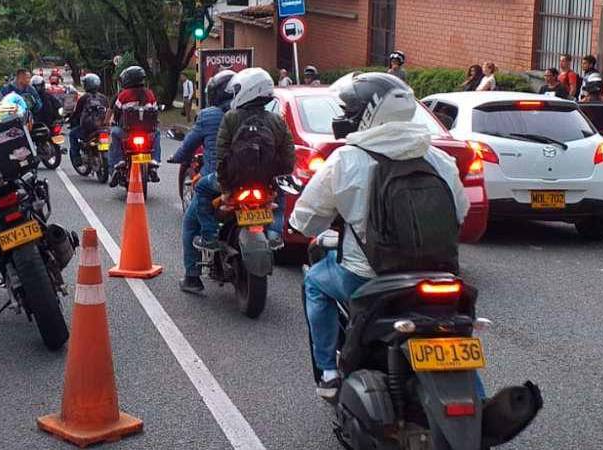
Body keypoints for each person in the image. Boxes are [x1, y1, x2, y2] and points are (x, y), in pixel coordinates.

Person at [290, 72, 468, 401]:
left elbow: (305, 221)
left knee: (315, 282)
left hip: (369, 279)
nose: (345, 118)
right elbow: (461, 212)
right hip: (439, 277)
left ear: (370, 114)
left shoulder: (346, 160)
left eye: (351, 110)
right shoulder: (438, 159)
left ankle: (328, 372)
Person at [193, 68, 294, 253]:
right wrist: (276, 181)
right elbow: (288, 157)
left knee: (201, 188)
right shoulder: (276, 120)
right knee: (280, 198)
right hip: (266, 185)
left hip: (234, 182)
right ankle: (274, 234)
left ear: (248, 90)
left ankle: (209, 236)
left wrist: (226, 189)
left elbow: (221, 155)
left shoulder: (231, 117)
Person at [169, 69, 235, 293]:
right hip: (253, 179)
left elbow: (188, 145)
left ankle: (193, 278)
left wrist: (176, 158)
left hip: (217, 180)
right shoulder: (250, 114)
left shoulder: (209, 116)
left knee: (189, 224)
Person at [108, 65, 162, 183]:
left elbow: (116, 111)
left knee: (114, 133)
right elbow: (155, 111)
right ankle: (155, 160)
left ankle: (119, 161)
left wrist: (113, 122)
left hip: (127, 133)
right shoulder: (149, 94)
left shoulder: (123, 95)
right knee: (157, 133)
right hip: (147, 133)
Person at [67, 73, 108, 168]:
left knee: (72, 134)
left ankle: (76, 157)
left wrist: (70, 120)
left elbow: (77, 112)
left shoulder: (84, 98)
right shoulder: (103, 98)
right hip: (103, 128)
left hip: (87, 129)